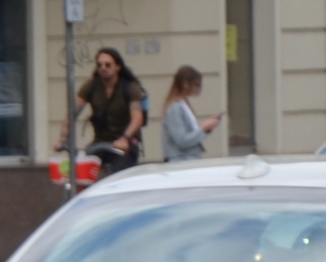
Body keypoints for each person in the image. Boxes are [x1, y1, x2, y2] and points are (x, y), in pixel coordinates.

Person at [67, 48, 146, 176]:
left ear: (118, 67)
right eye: (99, 65)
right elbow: (72, 113)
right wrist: (63, 138)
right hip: (101, 142)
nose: (103, 68)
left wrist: (125, 139)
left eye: (108, 65)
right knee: (83, 169)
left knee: (119, 174)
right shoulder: (92, 85)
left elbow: (137, 119)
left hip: (125, 143)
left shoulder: (130, 88)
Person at [160, 65, 222, 162]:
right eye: (196, 84)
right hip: (180, 160)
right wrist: (203, 128)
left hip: (187, 159)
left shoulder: (183, 104)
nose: (198, 88)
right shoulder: (175, 108)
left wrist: (207, 129)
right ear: (185, 84)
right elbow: (181, 141)